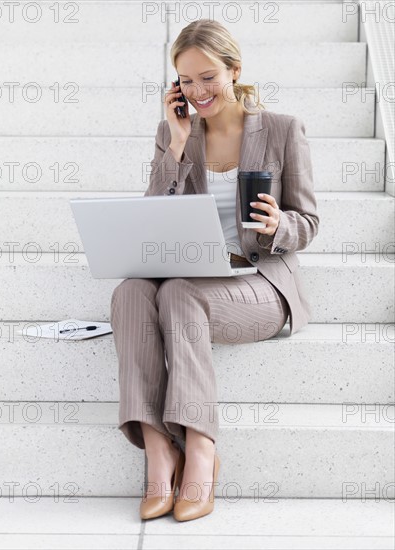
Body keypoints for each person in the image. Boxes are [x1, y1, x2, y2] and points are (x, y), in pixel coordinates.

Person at [110, 19, 319, 522]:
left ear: (235, 71)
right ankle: (160, 447)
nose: (197, 91)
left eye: (208, 77)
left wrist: (278, 225)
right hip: (192, 271)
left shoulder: (282, 129)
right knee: (130, 292)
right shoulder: (173, 131)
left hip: (259, 283)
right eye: (185, 80)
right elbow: (152, 213)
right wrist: (179, 145)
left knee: (180, 294)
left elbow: (308, 220)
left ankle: (201, 447)